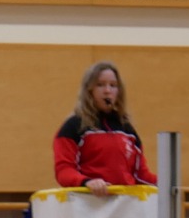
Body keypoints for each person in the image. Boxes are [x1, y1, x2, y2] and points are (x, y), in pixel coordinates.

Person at [54, 62, 156, 191]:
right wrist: (87, 182)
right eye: (100, 85)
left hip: (125, 201)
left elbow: (141, 175)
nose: (107, 91)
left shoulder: (127, 129)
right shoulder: (73, 126)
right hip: (88, 200)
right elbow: (64, 171)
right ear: (89, 90)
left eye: (113, 85)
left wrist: (165, 183)